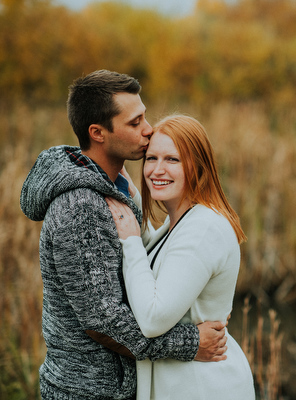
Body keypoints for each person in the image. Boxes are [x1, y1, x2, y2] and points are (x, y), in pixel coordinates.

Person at [20, 70, 227, 400]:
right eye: (134, 123)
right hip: (88, 392)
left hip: (119, 386)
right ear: (98, 133)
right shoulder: (80, 206)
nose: (148, 129)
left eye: (144, 116)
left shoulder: (118, 190)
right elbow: (102, 321)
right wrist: (190, 343)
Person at [105, 114, 255, 400]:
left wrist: (131, 241)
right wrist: (130, 196)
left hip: (203, 387)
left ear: (198, 166)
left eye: (172, 160)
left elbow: (152, 318)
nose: (157, 170)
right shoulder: (181, 222)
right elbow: (162, 261)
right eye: (151, 159)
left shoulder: (203, 228)